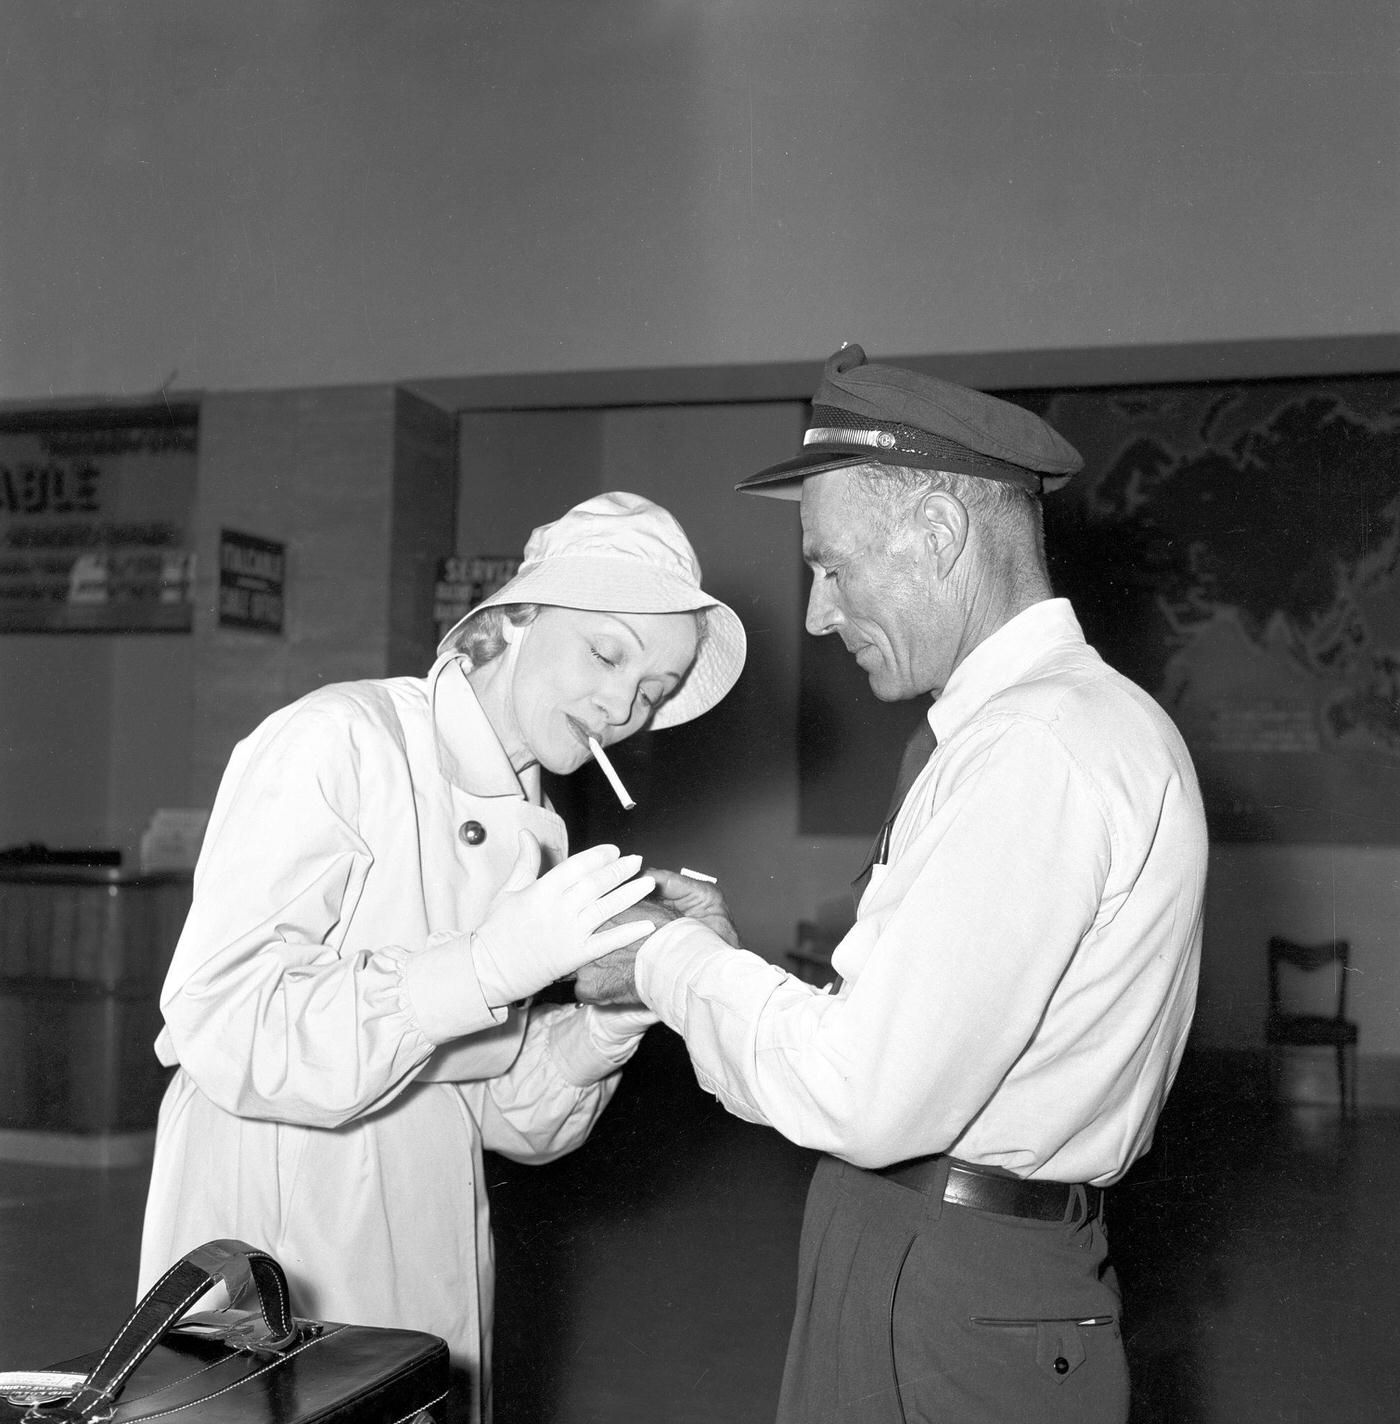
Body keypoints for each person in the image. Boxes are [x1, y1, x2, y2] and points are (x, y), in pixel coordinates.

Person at [576, 346, 1207, 1424]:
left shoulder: (1033, 752)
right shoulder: (1040, 729)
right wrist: (722, 963)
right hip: (942, 1244)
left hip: (951, 1272)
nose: (819, 613)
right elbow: (911, 1033)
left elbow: (865, 1096)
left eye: (834, 565)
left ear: (940, 533)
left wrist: (663, 959)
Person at [138, 491, 746, 1424]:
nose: (624, 704)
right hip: (278, 1204)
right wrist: (487, 966)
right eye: (607, 652)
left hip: (430, 1218)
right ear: (513, 620)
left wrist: (618, 1011)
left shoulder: (534, 829)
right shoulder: (342, 742)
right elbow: (227, 1024)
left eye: (656, 689)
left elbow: (504, 1116)